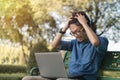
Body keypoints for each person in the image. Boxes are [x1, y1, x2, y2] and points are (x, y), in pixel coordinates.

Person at [22, 11, 109, 80]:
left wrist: (84, 24)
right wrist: (64, 28)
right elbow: (54, 44)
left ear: (86, 27)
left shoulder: (102, 41)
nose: (76, 35)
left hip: (84, 78)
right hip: (68, 78)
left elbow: (95, 42)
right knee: (27, 78)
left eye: (78, 31)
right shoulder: (74, 43)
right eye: (72, 33)